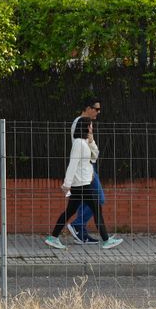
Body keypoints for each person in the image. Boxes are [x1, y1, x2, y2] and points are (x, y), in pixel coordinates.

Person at [45, 120, 123, 250]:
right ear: (86, 127)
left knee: (70, 211)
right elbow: (72, 164)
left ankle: (53, 238)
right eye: (91, 125)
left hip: (83, 183)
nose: (92, 127)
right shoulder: (78, 143)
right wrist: (67, 184)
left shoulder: (84, 142)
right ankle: (106, 240)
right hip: (81, 184)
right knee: (96, 209)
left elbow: (95, 156)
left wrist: (92, 141)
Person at [67, 98, 104, 244]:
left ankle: (80, 233)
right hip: (86, 167)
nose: (98, 112)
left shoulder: (86, 123)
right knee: (99, 198)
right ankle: (77, 225)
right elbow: (83, 147)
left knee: (84, 201)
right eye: (96, 109)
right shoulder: (80, 122)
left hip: (88, 166)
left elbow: (92, 148)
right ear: (88, 108)